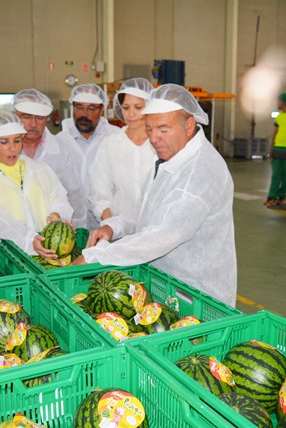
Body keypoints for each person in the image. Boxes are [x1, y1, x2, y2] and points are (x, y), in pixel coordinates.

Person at [71, 84, 237, 306]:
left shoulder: (200, 172)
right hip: (167, 283)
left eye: (163, 129)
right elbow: (149, 207)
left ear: (188, 126)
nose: (154, 138)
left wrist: (96, 257)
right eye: (150, 129)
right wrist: (114, 226)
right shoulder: (172, 156)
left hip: (197, 295)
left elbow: (161, 234)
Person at [0, 89, 87, 228]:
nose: (33, 124)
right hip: (4, 234)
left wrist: (77, 230)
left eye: (39, 118)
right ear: (15, 115)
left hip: (49, 232)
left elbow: (74, 194)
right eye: (27, 116)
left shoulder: (60, 149)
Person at [0, 111, 73, 255]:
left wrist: (57, 214)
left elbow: (59, 199)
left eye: (17, 140)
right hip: (5, 257)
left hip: (46, 253)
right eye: (4, 142)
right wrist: (29, 240)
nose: (12, 148)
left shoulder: (40, 169)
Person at [88, 78, 156, 239]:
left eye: (138, 107)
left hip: (156, 230)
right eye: (126, 108)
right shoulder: (111, 145)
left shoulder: (159, 143)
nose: (131, 114)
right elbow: (99, 193)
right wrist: (112, 226)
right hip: (119, 234)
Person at [56, 83, 121, 229]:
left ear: (102, 109)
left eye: (91, 108)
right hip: (71, 226)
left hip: (109, 223)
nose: (84, 114)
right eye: (79, 107)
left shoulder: (116, 138)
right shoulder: (59, 142)